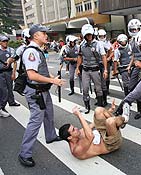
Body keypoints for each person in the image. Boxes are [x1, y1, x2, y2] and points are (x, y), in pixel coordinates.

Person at [18, 24, 65, 167]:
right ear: (35, 35)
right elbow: (32, 75)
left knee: (49, 114)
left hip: (42, 90)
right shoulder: (31, 52)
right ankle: (24, 154)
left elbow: (41, 71)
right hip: (35, 92)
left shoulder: (38, 50)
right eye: (43, 33)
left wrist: (52, 79)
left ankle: (50, 136)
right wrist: (52, 80)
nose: (46, 35)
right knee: (35, 121)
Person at [58, 100, 128, 160]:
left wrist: (108, 112)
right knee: (110, 122)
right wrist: (79, 114)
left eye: (74, 127)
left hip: (103, 133)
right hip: (111, 144)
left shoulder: (78, 133)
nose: (76, 128)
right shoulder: (77, 150)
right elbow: (91, 136)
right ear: (69, 137)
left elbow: (94, 124)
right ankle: (124, 118)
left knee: (98, 110)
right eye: (73, 130)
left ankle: (119, 122)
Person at [76, 24, 108, 114]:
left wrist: (105, 70)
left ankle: (101, 107)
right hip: (85, 70)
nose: (89, 36)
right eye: (87, 35)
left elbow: (103, 56)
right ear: (84, 35)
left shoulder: (98, 44)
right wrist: (78, 68)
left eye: (90, 34)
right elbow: (80, 56)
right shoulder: (81, 45)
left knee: (98, 89)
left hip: (95, 69)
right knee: (85, 89)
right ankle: (87, 107)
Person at [0, 35, 20, 118]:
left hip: (8, 72)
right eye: (3, 41)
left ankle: (11, 102)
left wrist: (13, 73)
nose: (5, 43)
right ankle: (1, 107)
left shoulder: (11, 50)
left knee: (10, 88)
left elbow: (14, 60)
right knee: (3, 91)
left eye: (6, 41)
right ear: (0, 42)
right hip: (0, 73)